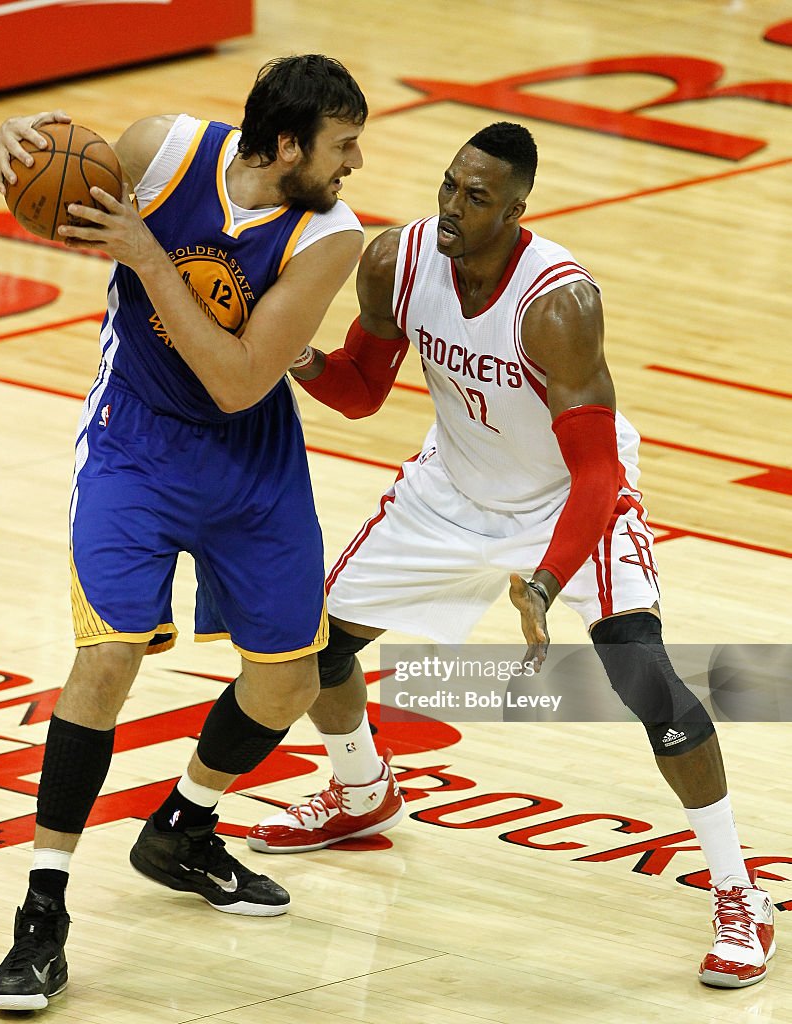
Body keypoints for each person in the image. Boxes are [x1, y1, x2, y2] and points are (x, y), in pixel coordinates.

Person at [245, 122, 777, 989]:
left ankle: (739, 894)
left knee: (644, 677)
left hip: (565, 500)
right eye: (450, 185)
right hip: (452, 491)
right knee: (316, 646)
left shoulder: (557, 303)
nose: (453, 206)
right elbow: (362, 393)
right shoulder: (398, 260)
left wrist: (545, 579)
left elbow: (599, 471)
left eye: (477, 196)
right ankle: (362, 790)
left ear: (517, 209)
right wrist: (295, 356)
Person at [0, 54, 367, 1010]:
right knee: (107, 659)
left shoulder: (330, 237)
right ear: (285, 146)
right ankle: (43, 912)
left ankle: (182, 829)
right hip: (136, 447)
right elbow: (61, 196)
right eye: (342, 145)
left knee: (287, 676)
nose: (355, 163)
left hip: (250, 459)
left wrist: (149, 256)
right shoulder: (160, 152)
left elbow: (239, 379)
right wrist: (18, 144)